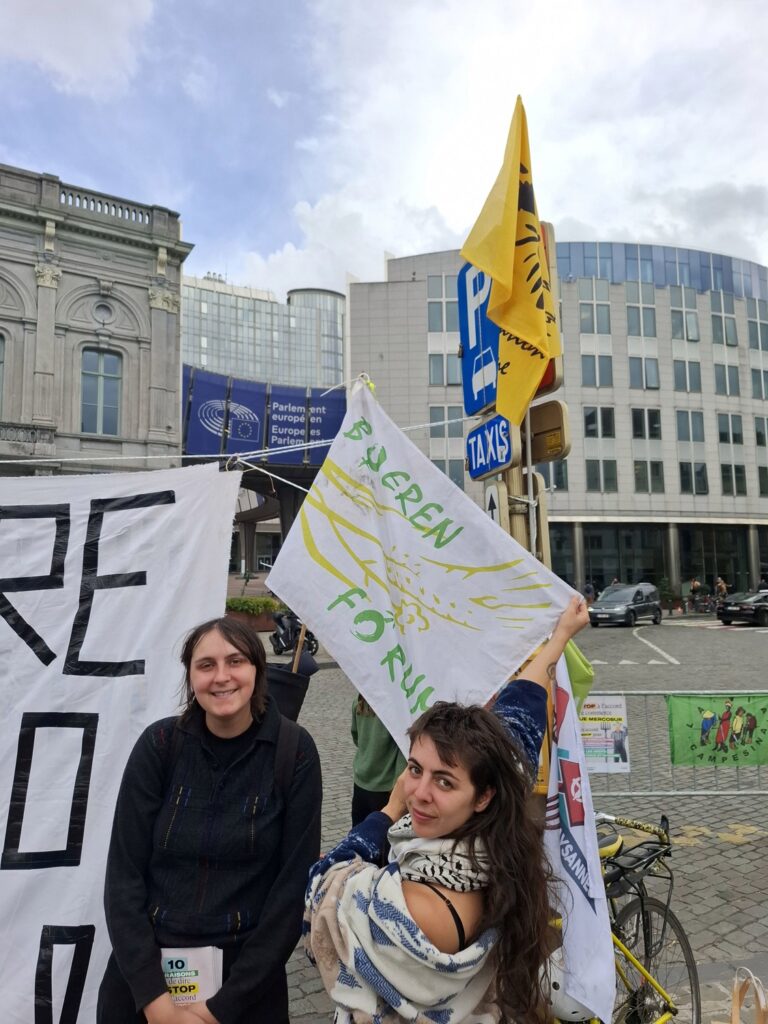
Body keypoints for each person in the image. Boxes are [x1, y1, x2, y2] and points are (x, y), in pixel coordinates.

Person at [305, 597, 589, 1024]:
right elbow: (521, 716)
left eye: (444, 782)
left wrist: (388, 811)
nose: (418, 793)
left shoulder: (415, 908)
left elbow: (321, 890)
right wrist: (559, 637)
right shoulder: (495, 839)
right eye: (416, 769)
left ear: (483, 796)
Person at [98, 616, 322, 1024]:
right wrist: (157, 1005)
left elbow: (291, 892)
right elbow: (123, 879)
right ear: (190, 676)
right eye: (206, 665)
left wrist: (223, 1009)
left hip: (246, 987)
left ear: (257, 669)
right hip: (147, 982)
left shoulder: (295, 752)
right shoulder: (158, 745)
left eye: (235, 661)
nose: (221, 677)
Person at [351, 696, 407, 825]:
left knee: (359, 828)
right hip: (386, 784)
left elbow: (355, 736)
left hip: (361, 780)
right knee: (383, 832)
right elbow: (403, 747)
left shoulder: (359, 702)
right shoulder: (395, 709)